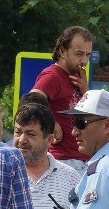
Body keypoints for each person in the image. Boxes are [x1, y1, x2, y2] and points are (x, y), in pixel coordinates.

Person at [31, 26, 93, 173]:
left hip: (82, 158)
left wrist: (86, 91)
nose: (84, 60)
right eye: (79, 54)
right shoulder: (52, 76)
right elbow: (31, 100)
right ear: (62, 51)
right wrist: (51, 122)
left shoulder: (78, 78)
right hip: (63, 160)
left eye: (88, 55)